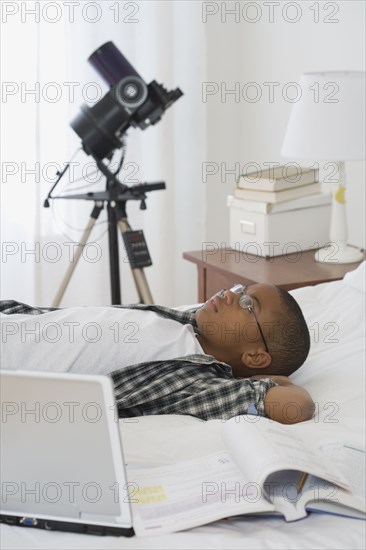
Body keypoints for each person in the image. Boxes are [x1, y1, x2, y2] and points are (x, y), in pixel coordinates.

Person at [0, 282, 313, 424]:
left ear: (256, 356)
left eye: (247, 304)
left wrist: (276, 381)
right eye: (240, 288)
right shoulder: (185, 322)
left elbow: (294, 408)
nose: (230, 294)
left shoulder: (197, 380)